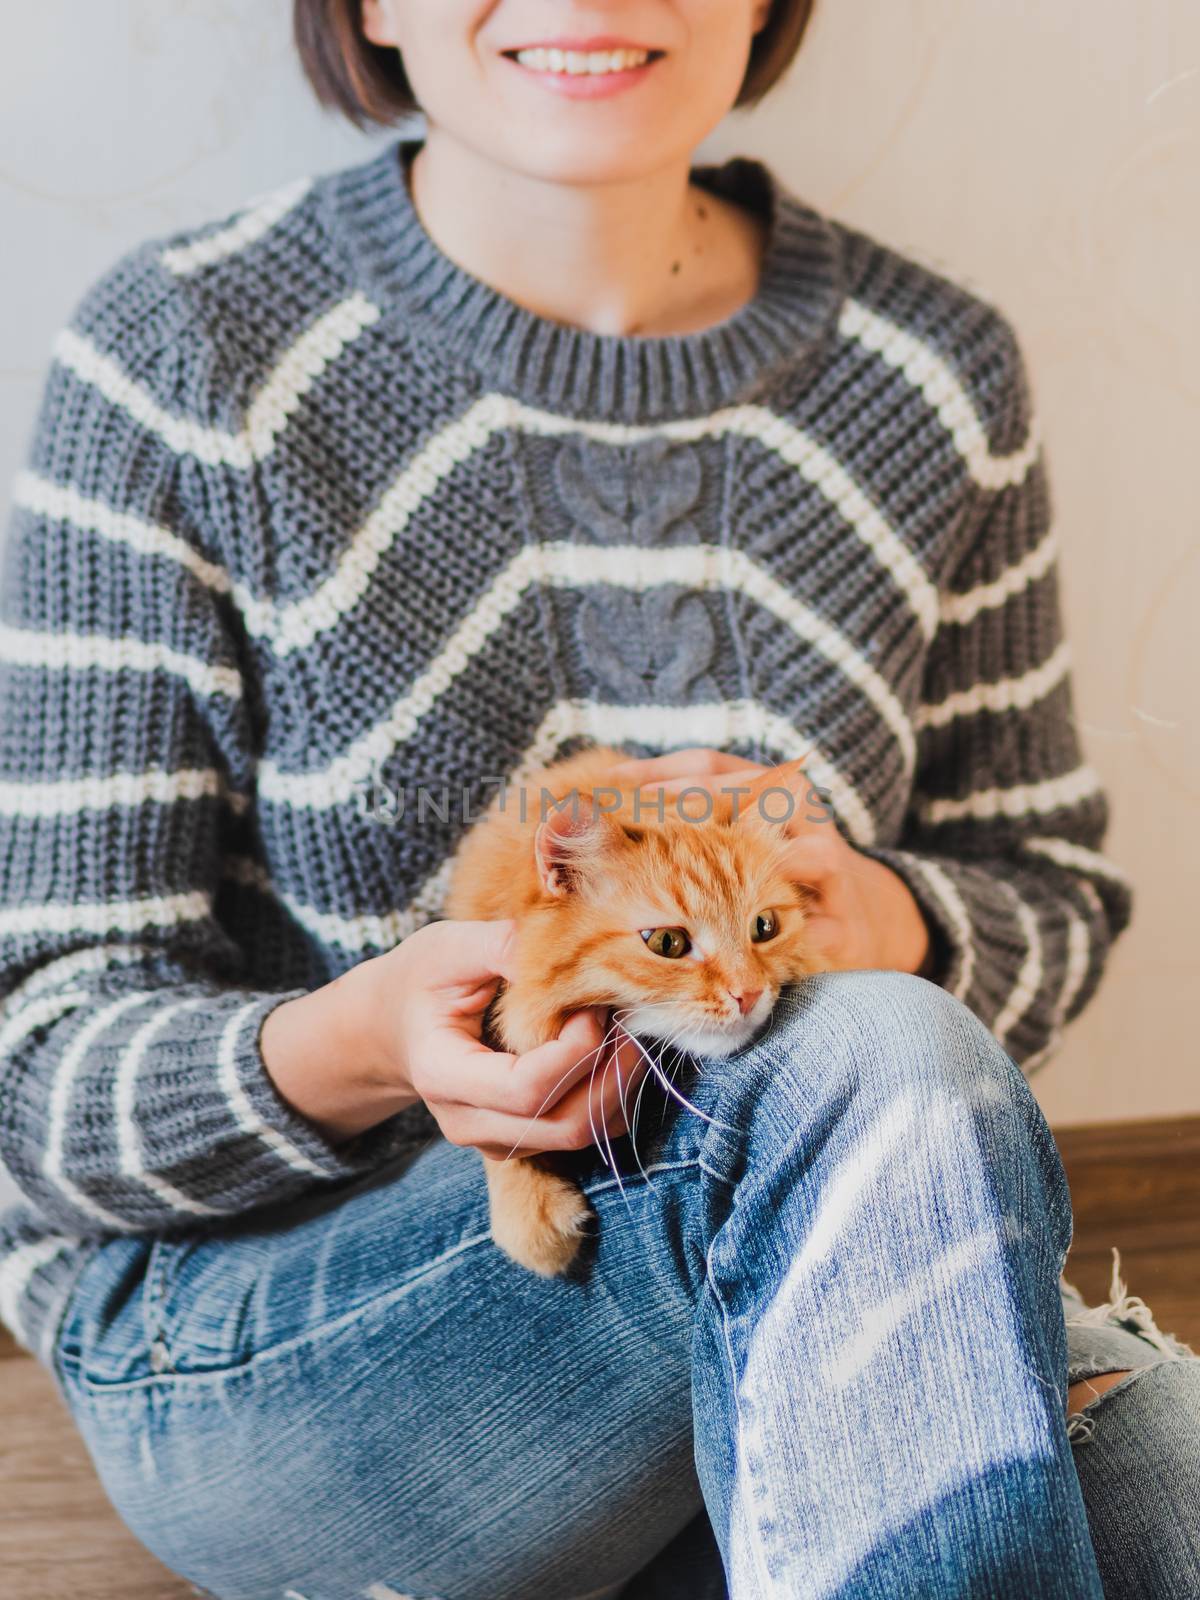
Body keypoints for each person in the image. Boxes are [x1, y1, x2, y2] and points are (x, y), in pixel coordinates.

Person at [0, 1, 1196, 1594]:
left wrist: (890, 914)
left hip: (799, 1230)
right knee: (867, 1066)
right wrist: (362, 1048)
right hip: (280, 1340)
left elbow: (1046, 887)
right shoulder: (178, 358)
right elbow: (32, 1078)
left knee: (1171, 1483)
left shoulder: (935, 375)